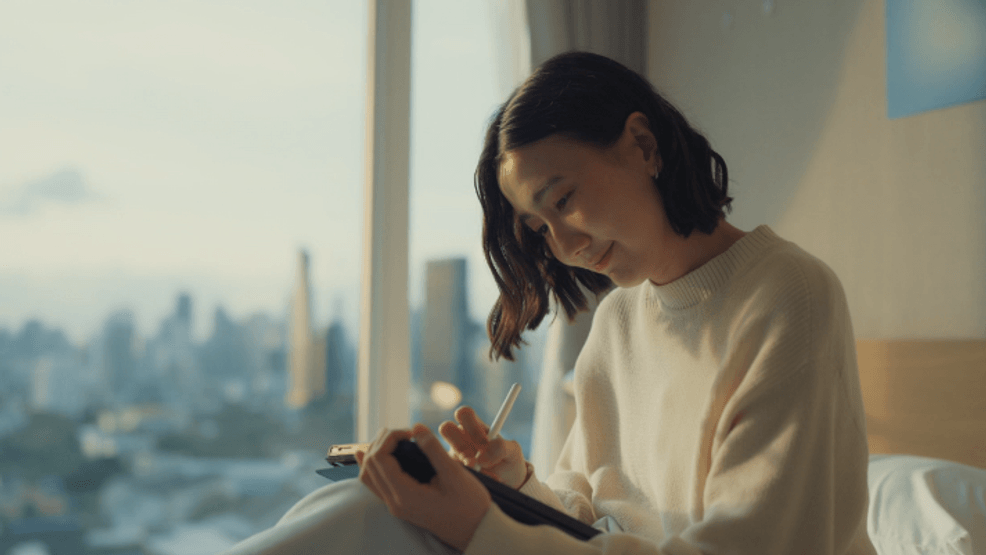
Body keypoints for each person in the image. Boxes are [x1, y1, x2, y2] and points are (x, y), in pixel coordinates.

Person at [221, 51, 877, 555]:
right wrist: (519, 484)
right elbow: (592, 514)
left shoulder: (788, 298)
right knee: (370, 505)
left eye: (562, 200)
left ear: (643, 146)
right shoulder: (619, 321)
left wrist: (481, 524)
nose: (562, 244)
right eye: (538, 229)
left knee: (375, 522)